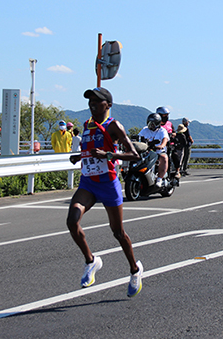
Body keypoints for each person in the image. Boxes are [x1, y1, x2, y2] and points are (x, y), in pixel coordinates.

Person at [67, 87, 143, 296]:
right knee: (72, 221)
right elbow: (90, 151)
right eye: (89, 100)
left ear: (107, 105)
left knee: (118, 232)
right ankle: (91, 261)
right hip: (88, 183)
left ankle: (135, 270)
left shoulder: (114, 126)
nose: (92, 104)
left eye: (97, 100)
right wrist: (79, 156)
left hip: (108, 183)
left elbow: (133, 154)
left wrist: (108, 154)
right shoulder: (86, 125)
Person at [139, 113, 170, 187]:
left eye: (153, 123)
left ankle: (159, 179)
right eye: (149, 123)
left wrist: (162, 145)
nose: (151, 125)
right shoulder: (145, 129)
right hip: (146, 151)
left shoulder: (162, 130)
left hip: (158, 152)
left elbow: (165, 139)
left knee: (164, 158)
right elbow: (139, 137)